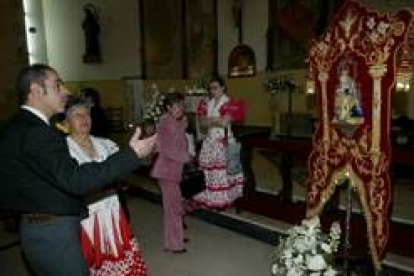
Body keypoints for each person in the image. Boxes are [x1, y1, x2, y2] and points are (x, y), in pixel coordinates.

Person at [0, 64, 156, 276]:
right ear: (36, 90)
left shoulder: (17, 126)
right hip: (52, 231)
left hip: (39, 224)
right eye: (58, 85)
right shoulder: (36, 132)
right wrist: (132, 154)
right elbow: (77, 180)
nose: (66, 91)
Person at [65, 96, 147, 275]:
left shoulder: (106, 144)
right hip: (87, 218)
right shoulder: (63, 150)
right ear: (67, 121)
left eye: (87, 114)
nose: (84, 118)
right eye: (77, 115)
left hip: (112, 210)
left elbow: (123, 172)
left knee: (122, 257)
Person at [192, 76, 244, 209]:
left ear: (223, 87)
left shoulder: (230, 102)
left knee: (223, 173)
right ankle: (213, 198)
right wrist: (217, 119)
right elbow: (202, 123)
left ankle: (223, 200)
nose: (212, 90)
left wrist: (212, 120)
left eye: (215, 87)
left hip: (223, 141)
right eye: (210, 88)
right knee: (210, 173)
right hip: (210, 140)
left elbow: (224, 122)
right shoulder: (206, 103)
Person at [151, 92, 190, 253]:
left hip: (171, 171)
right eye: (177, 105)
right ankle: (176, 244)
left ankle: (173, 239)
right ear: (168, 107)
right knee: (174, 208)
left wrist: (182, 127)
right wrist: (187, 157)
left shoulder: (171, 121)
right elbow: (167, 148)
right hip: (167, 171)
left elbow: (176, 141)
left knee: (172, 207)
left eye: (182, 105)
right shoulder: (166, 122)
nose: (181, 108)